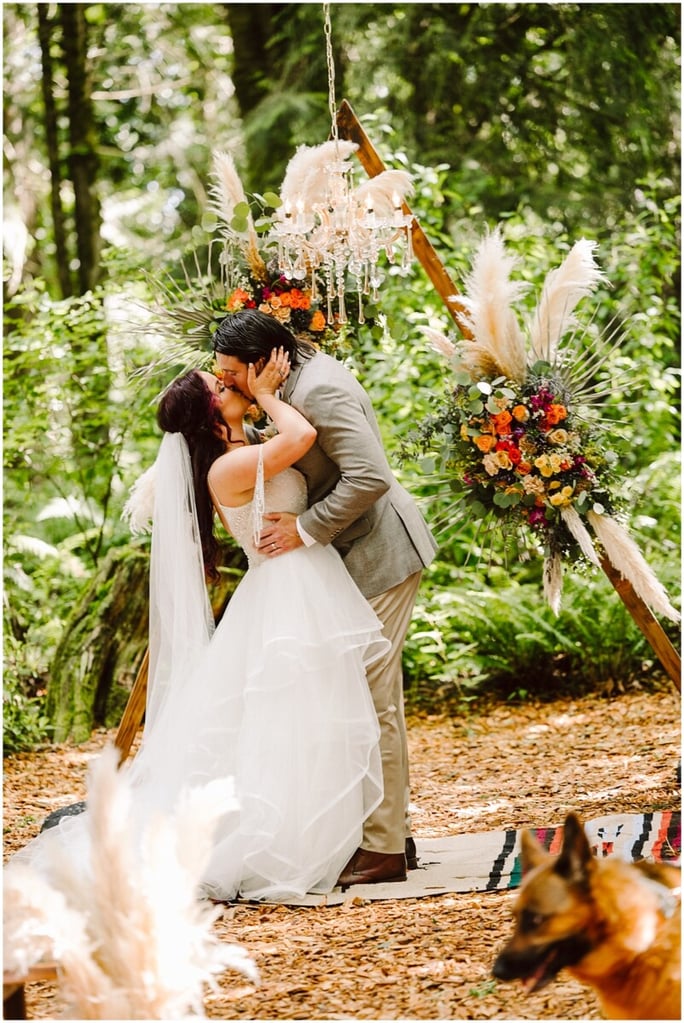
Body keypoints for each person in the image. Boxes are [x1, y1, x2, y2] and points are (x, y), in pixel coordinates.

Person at [13, 349, 390, 903]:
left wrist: (262, 401)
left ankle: (326, 831)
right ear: (211, 414)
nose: (231, 383)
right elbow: (303, 436)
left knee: (306, 713)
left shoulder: (243, 449)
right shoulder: (227, 467)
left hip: (300, 584)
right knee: (292, 713)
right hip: (287, 592)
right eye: (220, 384)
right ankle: (282, 840)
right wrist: (267, 395)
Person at [212, 309, 438, 886]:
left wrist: (304, 529)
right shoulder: (285, 389)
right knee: (354, 696)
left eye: (230, 373)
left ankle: (384, 849)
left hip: (380, 555)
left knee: (373, 700)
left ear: (262, 364)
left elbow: (370, 477)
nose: (224, 382)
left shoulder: (321, 390)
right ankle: (385, 831)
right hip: (342, 564)